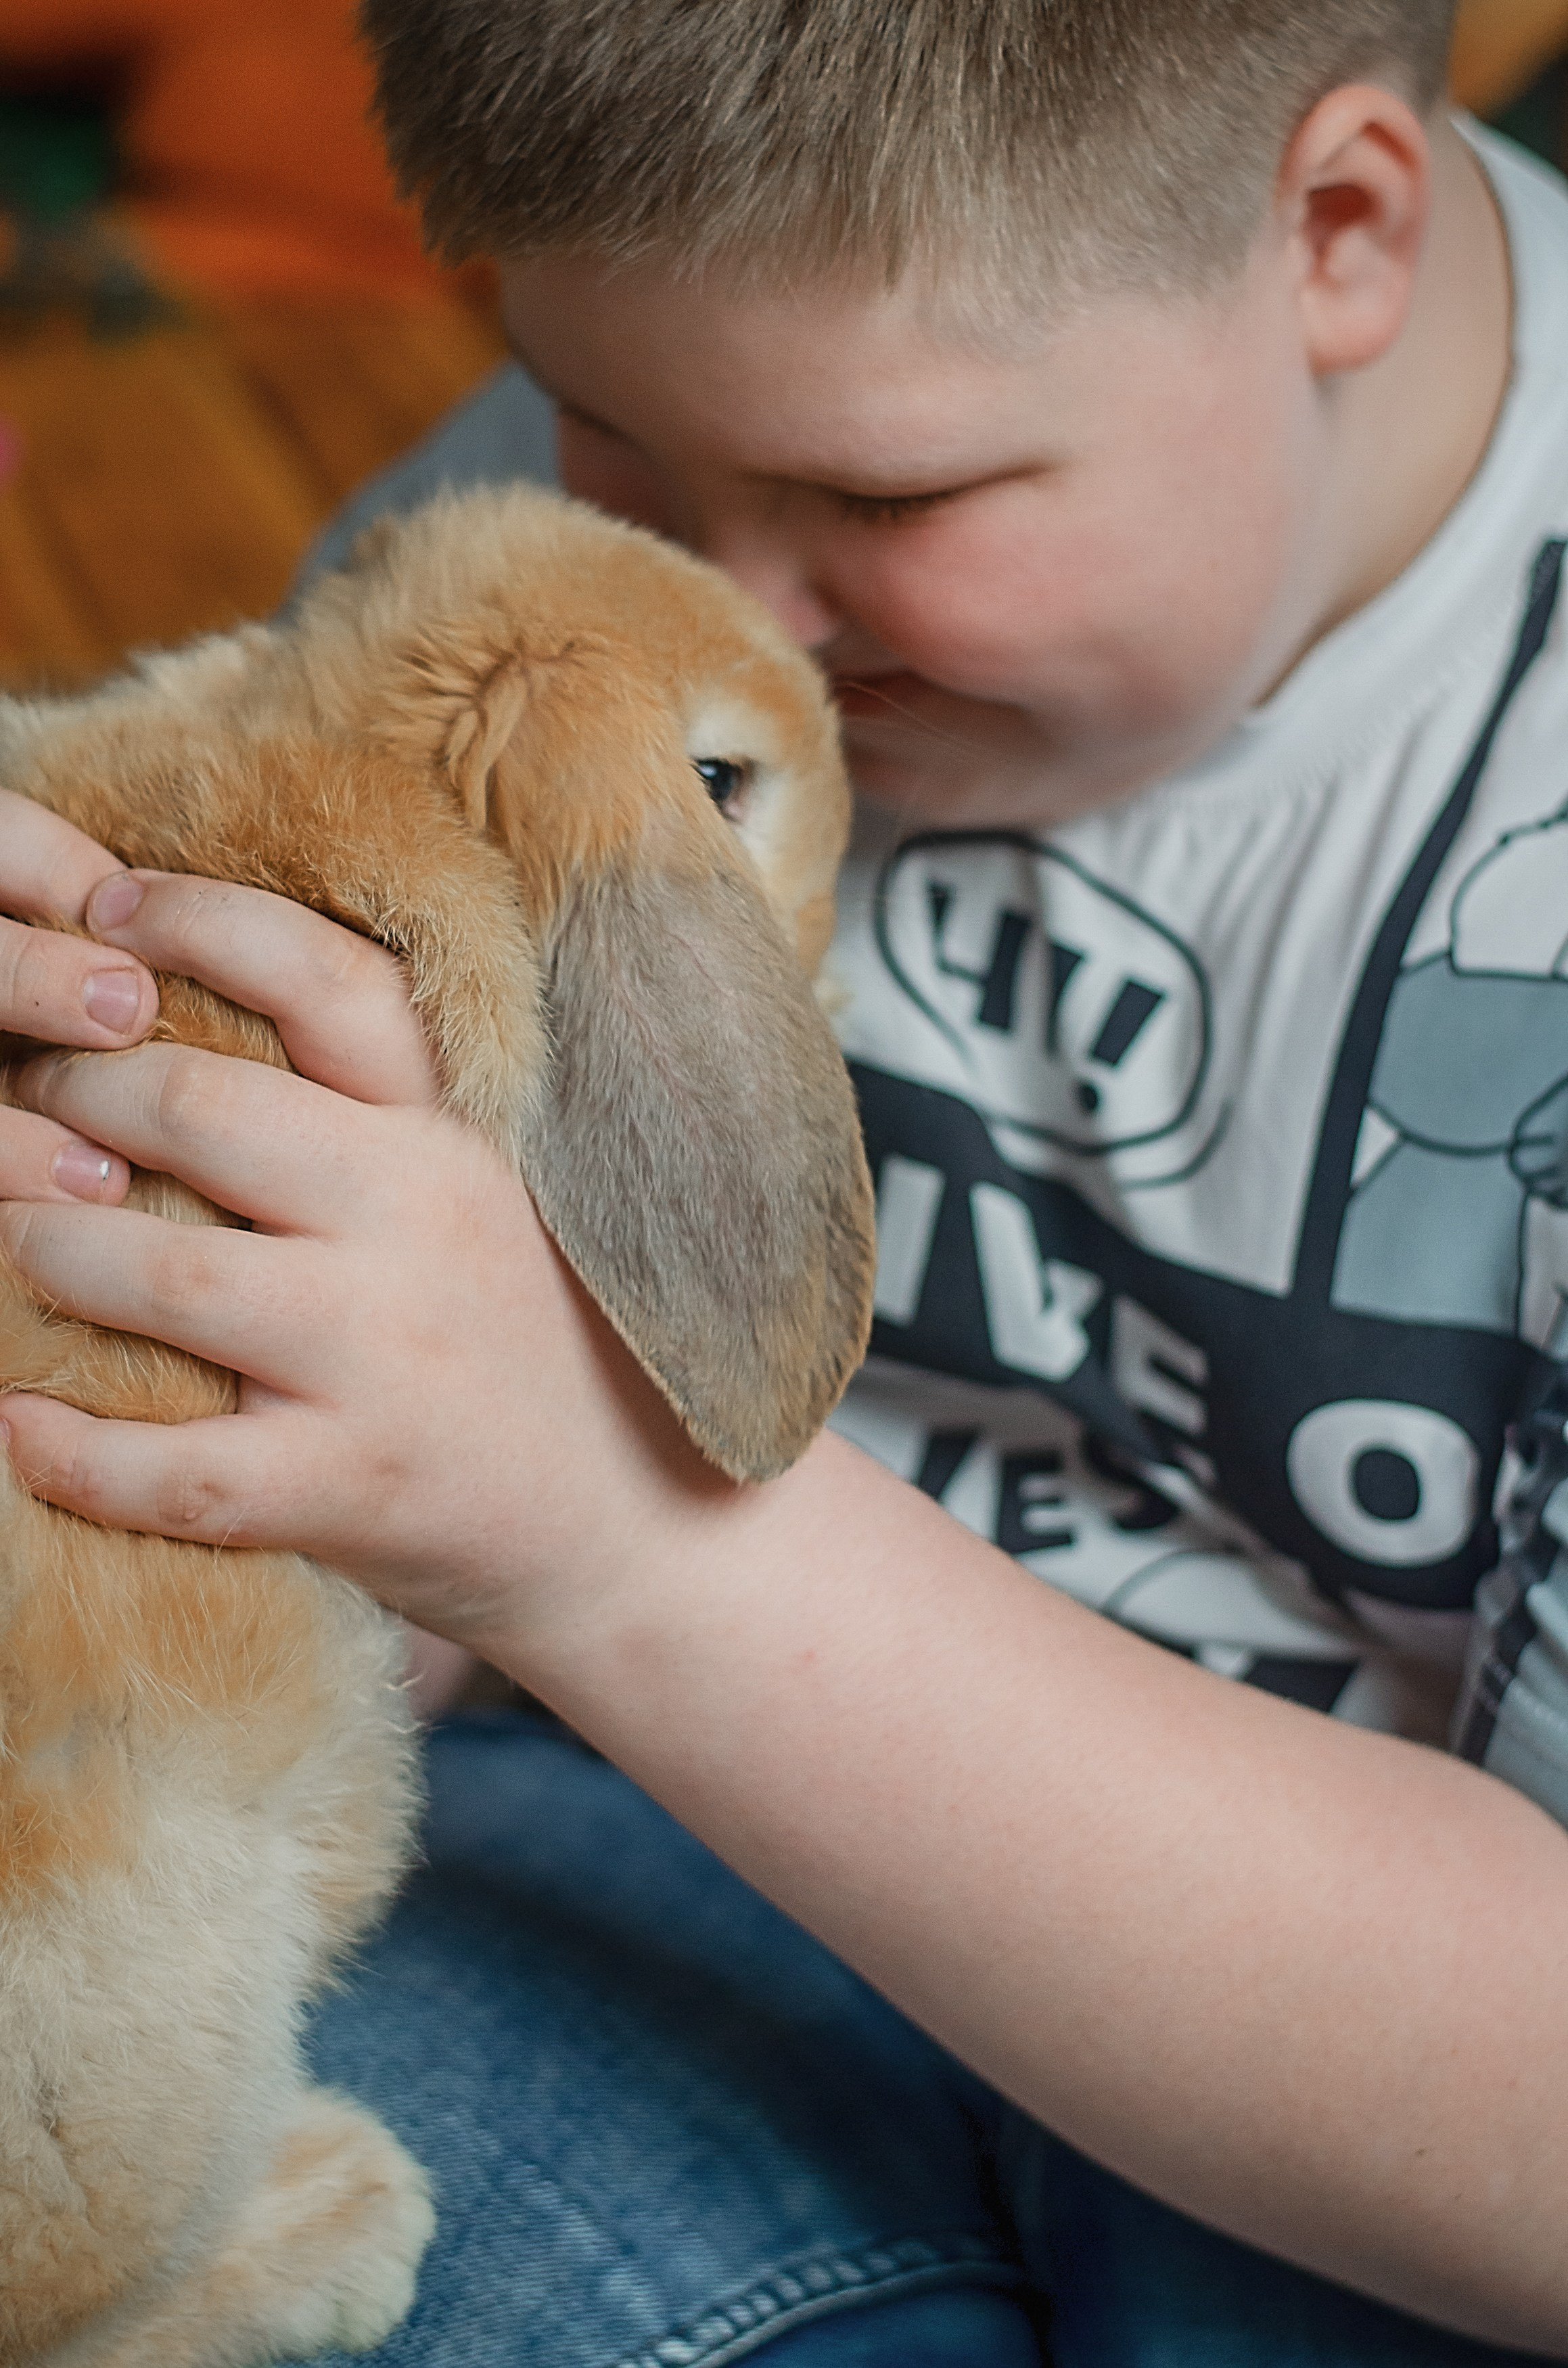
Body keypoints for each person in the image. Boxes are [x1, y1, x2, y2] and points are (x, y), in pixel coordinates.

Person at [3, 1, 1567, 2359]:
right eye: (603, 432)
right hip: (598, 1850)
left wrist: (605, 1529)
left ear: (1334, 228)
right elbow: (329, 1568)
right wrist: (197, 1267)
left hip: (1386, 2077)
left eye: (889, 503)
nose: (739, 594)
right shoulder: (647, 448)